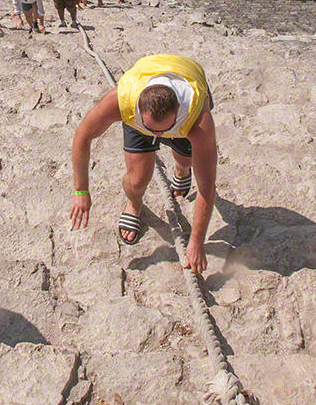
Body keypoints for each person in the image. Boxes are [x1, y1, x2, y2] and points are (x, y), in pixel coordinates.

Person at [69, 55, 217, 272]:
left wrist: (197, 241)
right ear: (137, 108)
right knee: (137, 180)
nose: (159, 135)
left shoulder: (197, 118)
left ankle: (181, 169)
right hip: (141, 122)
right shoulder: (122, 100)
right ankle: (134, 204)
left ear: (178, 113)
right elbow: (82, 136)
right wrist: (81, 190)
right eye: (154, 130)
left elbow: (206, 185)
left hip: (187, 93)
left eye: (164, 130)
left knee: (186, 160)